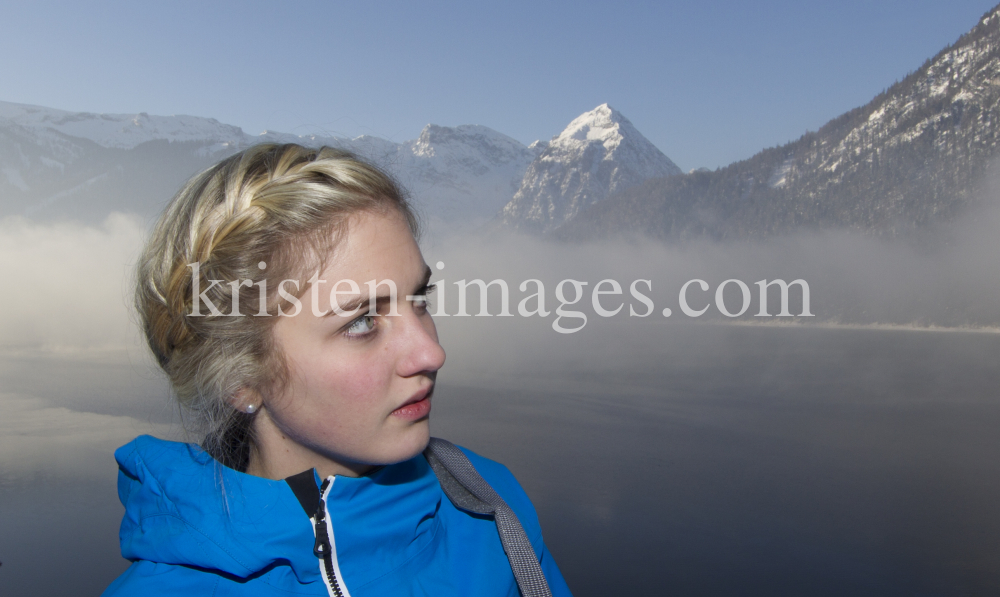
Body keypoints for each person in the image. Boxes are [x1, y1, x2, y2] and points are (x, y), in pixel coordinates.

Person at [102, 144, 572, 596]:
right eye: (362, 321)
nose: (430, 352)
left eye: (419, 300)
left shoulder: (488, 502)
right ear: (239, 378)